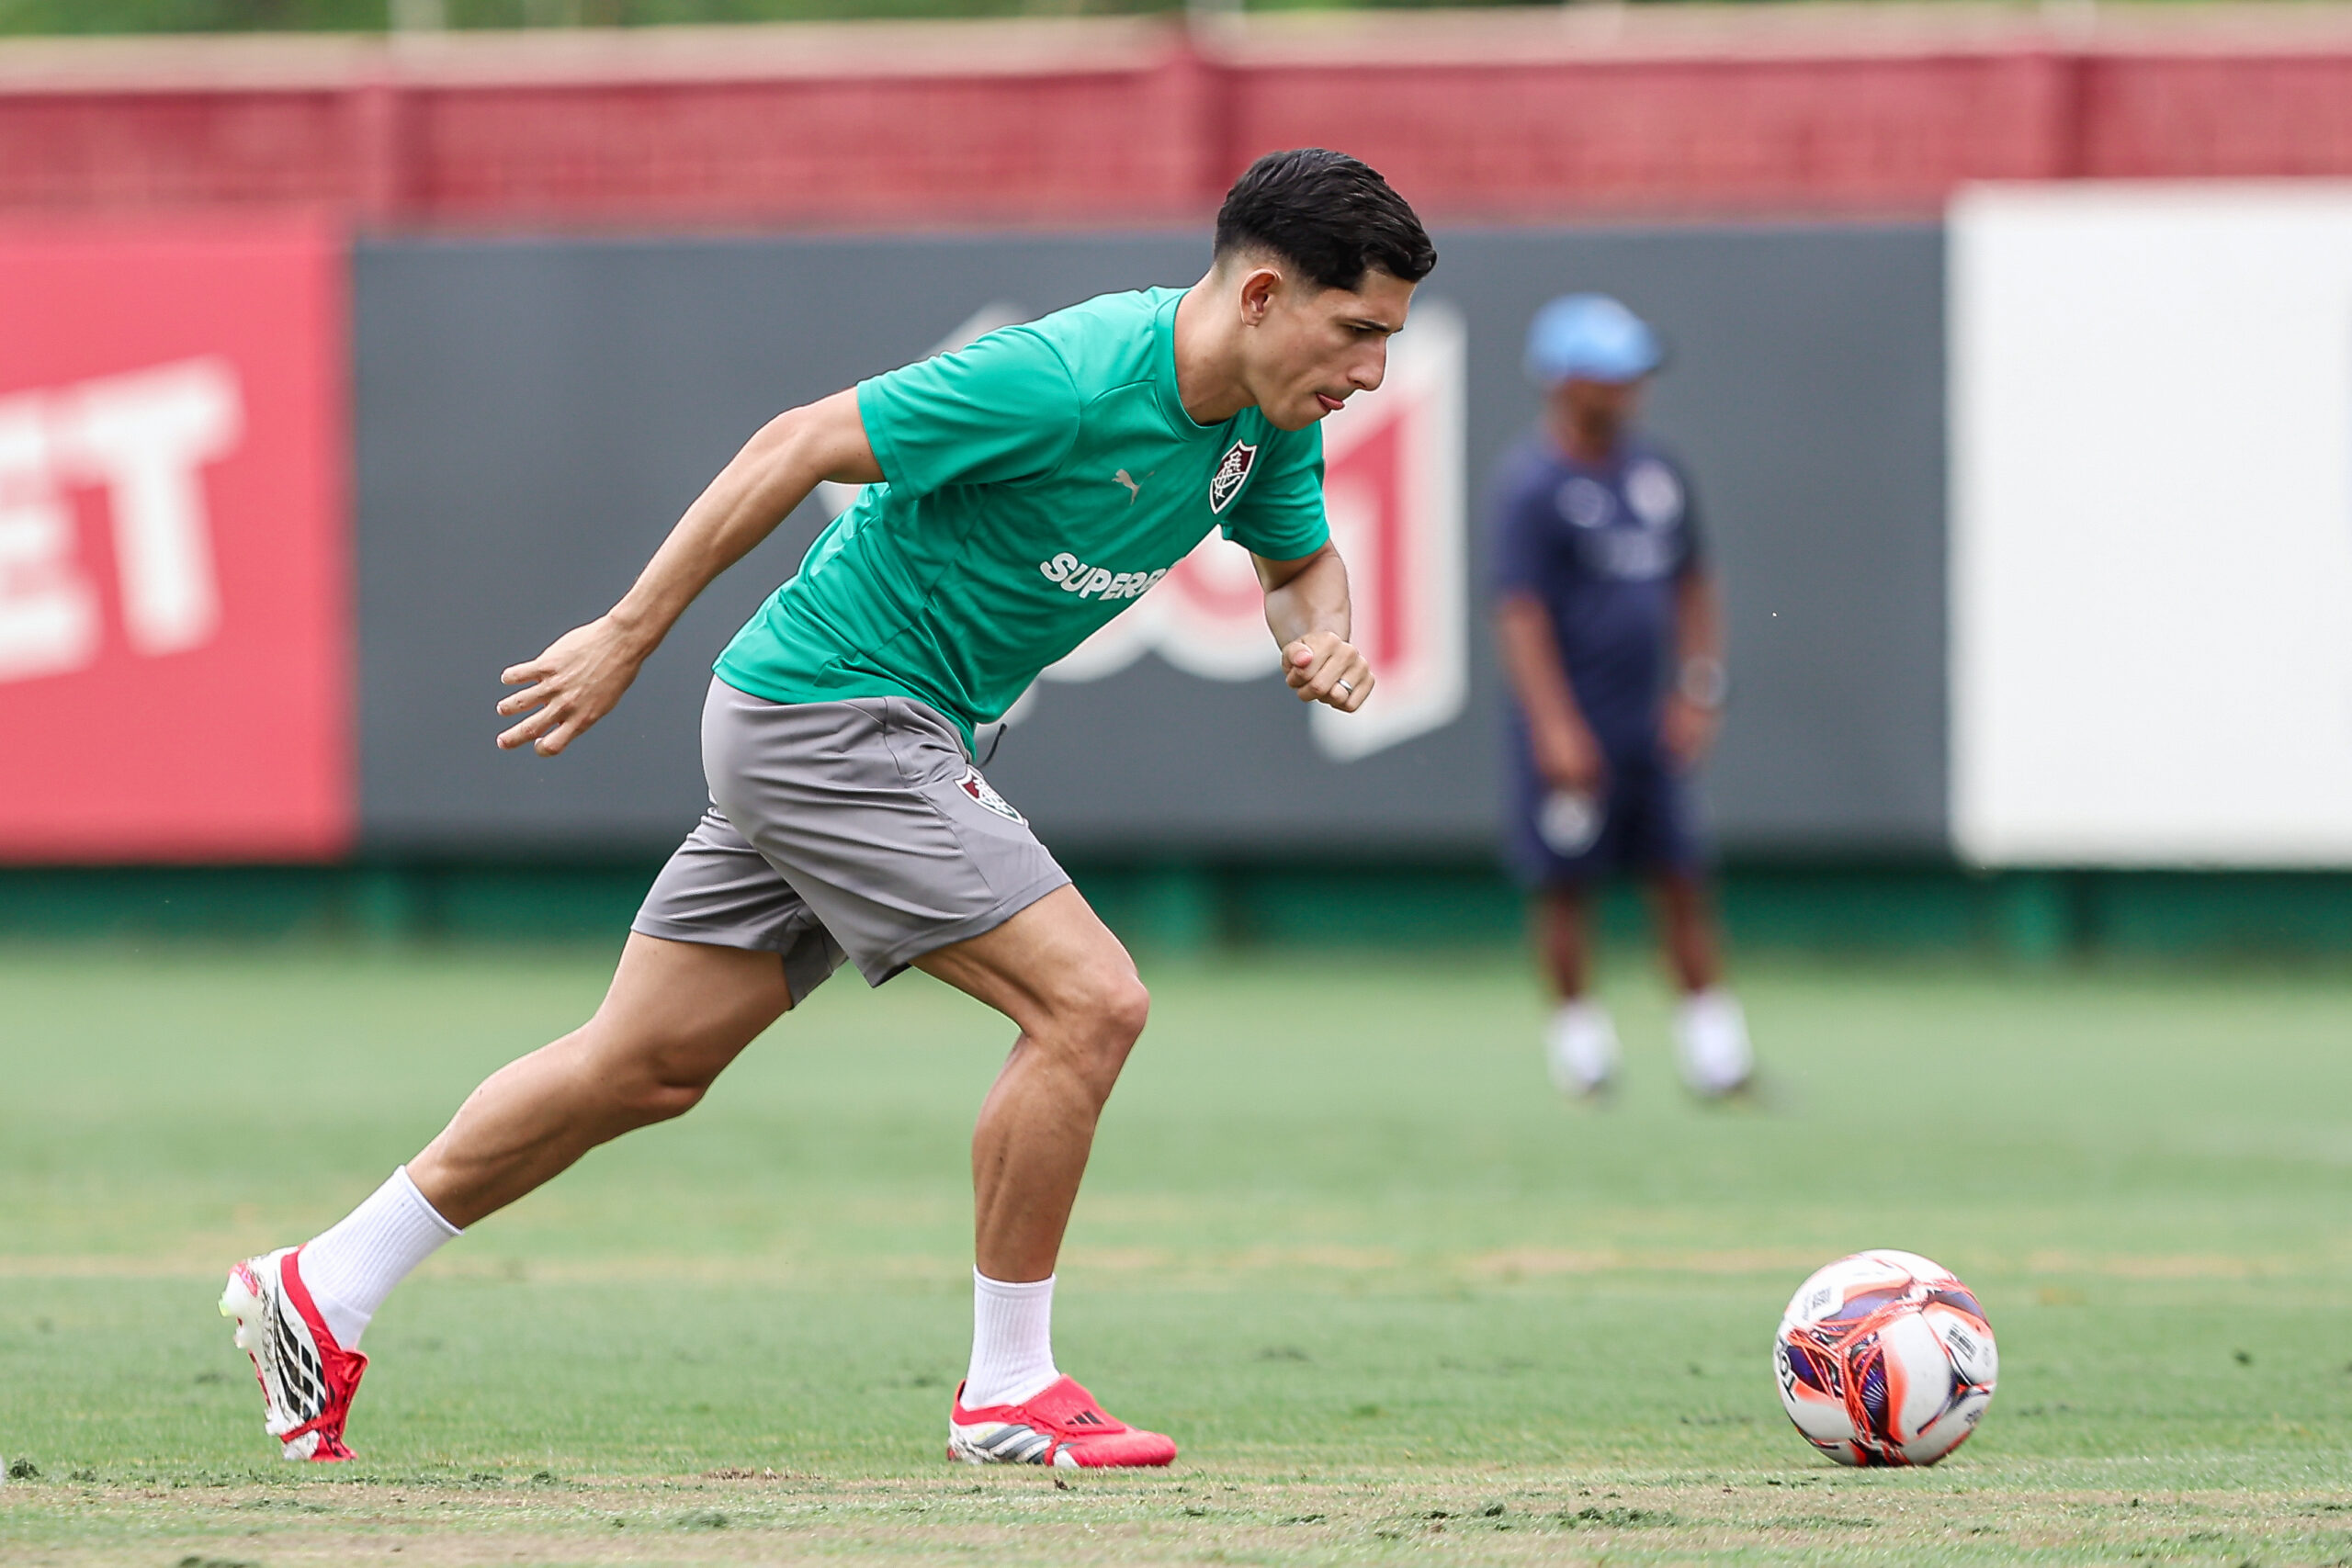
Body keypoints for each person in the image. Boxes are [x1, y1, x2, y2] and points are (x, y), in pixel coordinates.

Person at [219, 148, 1435, 1469]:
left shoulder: (1267, 419)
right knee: (1091, 1003)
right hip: (836, 718)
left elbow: (1300, 562)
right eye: (1358, 329)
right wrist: (627, 634)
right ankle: (1007, 1388)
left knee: (644, 1065)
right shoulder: (1073, 374)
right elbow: (796, 442)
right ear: (1263, 294)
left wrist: (1326, 632)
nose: (1372, 368)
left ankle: (323, 1283)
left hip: (851, 728)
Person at [1489, 293, 1753, 1101]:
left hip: (1650, 723)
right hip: (1576, 726)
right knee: (1566, 886)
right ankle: (1583, 1054)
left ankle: (1717, 1057)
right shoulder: (1532, 486)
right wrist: (1555, 725)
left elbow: (1695, 583)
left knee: (1680, 878)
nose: (1631, 389)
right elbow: (1520, 611)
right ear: (1566, 382)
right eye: (1612, 374)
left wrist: (1698, 688)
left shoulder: (1656, 473)